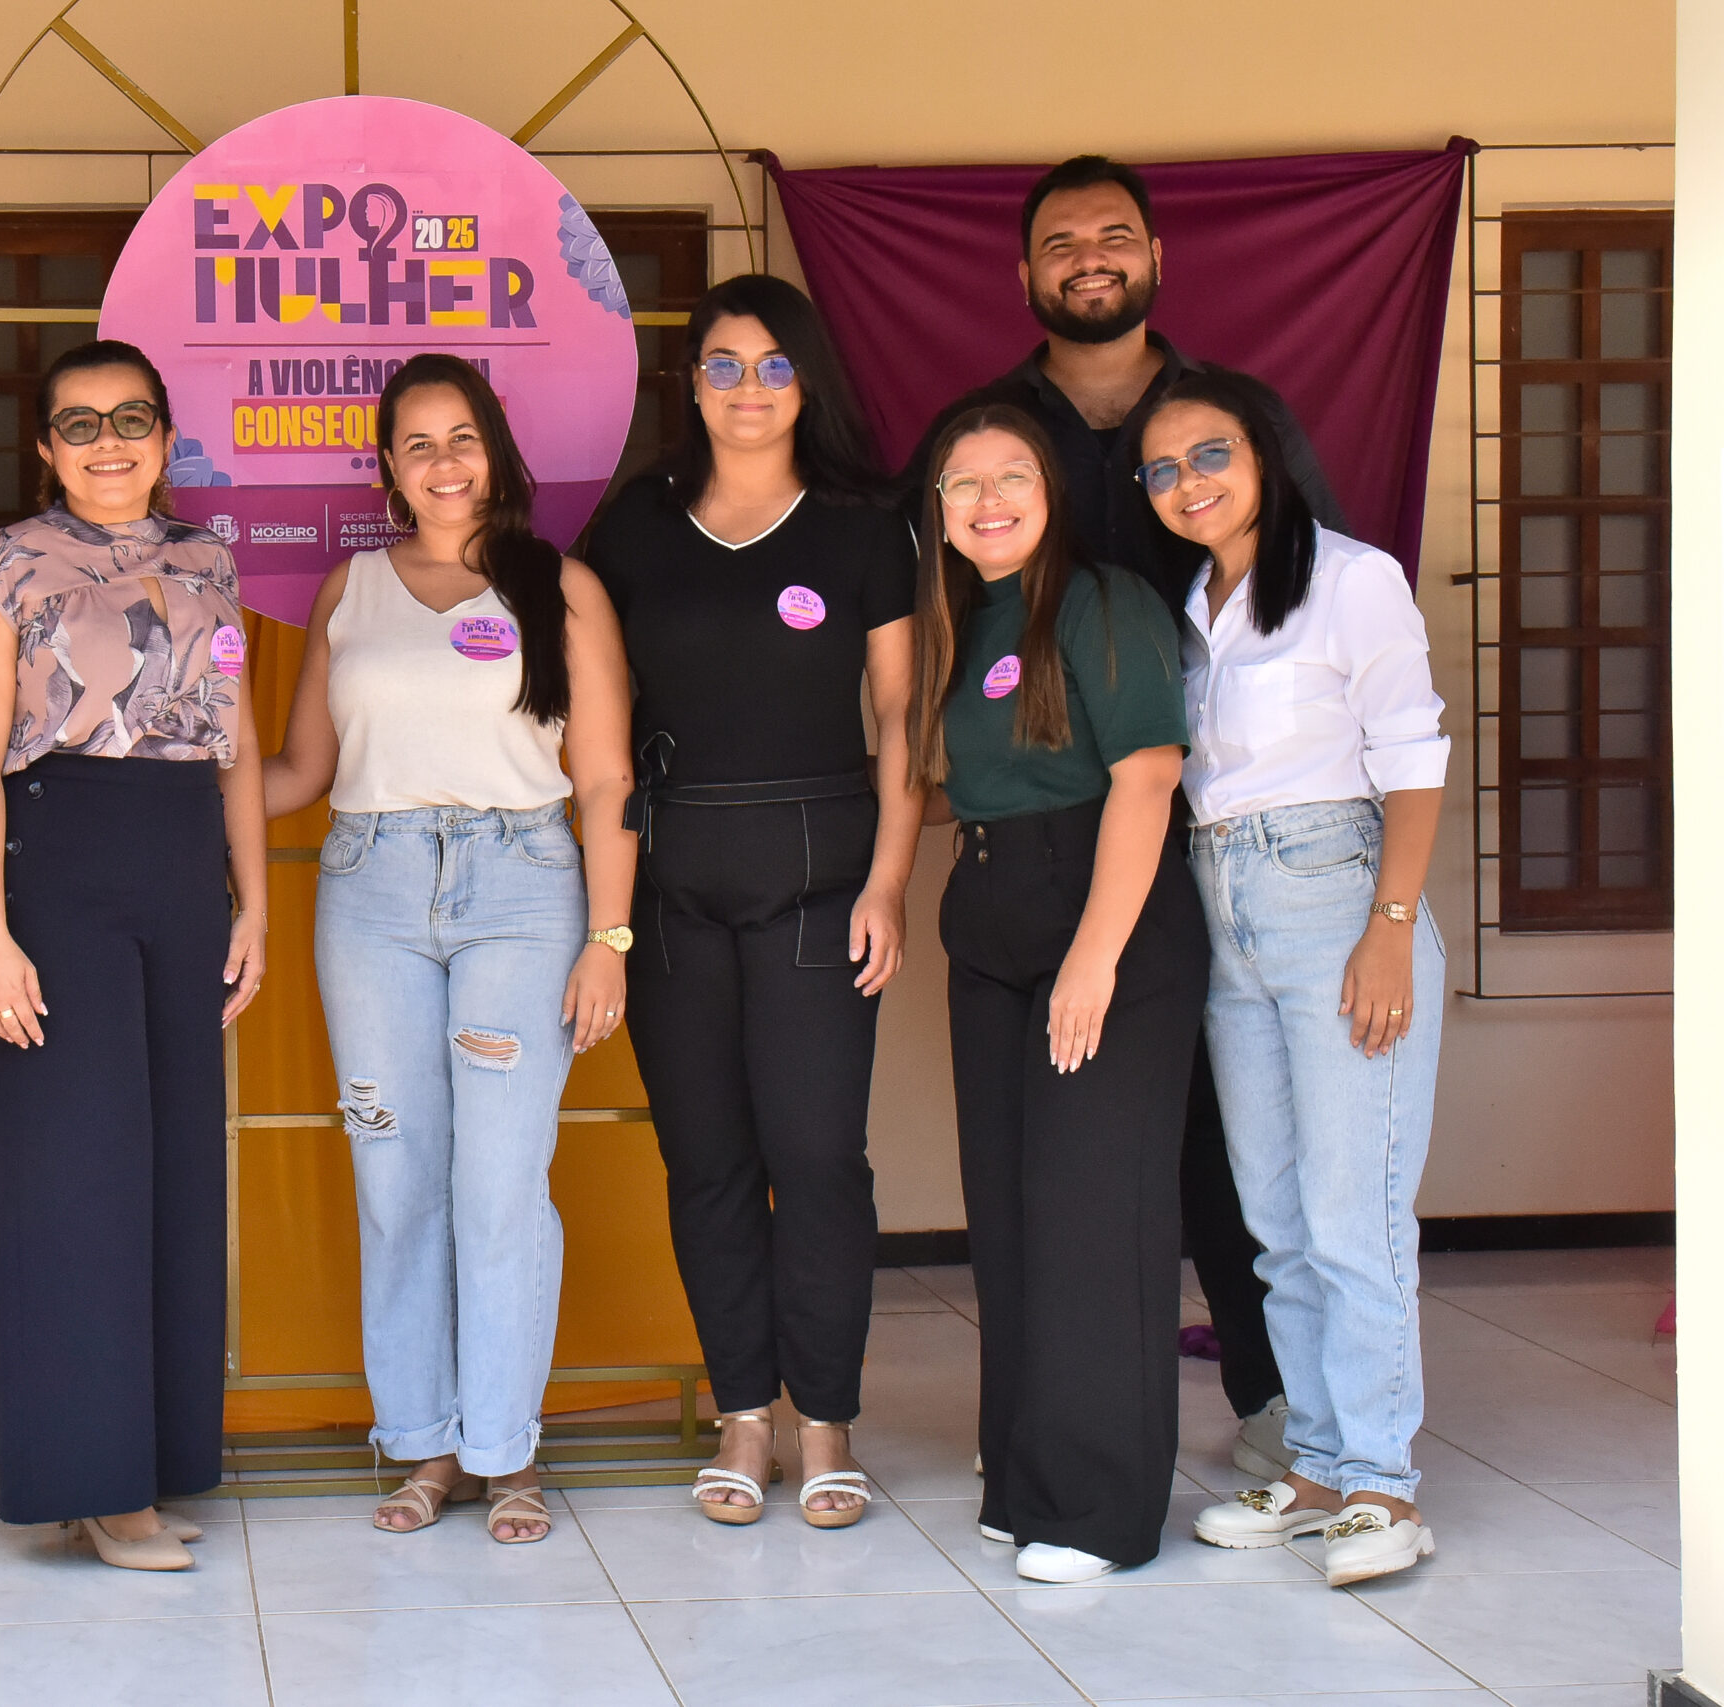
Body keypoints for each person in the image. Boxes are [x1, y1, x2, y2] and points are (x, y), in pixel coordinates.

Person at [907, 155, 1348, 1477]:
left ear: (1157, 257)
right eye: (1061, 241)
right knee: (1066, 1162)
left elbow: (1311, 587)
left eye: (1113, 235)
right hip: (1054, 846)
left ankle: (1284, 1407)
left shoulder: (1228, 416)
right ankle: (1067, 1422)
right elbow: (927, 624)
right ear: (1023, 273)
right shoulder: (986, 430)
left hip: (1230, 823)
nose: (1087, 257)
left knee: (1238, 1135)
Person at [263, 355, 636, 1546]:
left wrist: (609, 937)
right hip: (368, 891)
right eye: (417, 442)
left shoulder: (557, 584)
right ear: (386, 464)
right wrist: (161, 782)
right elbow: (299, 771)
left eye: (461, 437)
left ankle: (505, 1448)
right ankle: (425, 1441)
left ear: (495, 451)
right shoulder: (351, 588)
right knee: (394, 1178)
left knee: (499, 1184)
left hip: (520, 891)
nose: (442, 463)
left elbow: (606, 779)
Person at [581, 275, 920, 1530]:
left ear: (807, 380)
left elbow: (900, 714)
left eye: (773, 365)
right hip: (672, 872)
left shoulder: (862, 526)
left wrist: (889, 879)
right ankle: (741, 1414)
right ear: (691, 382)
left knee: (817, 1155)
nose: (747, 389)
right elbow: (595, 721)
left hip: (820, 871)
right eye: (721, 364)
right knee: (708, 1159)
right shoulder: (635, 525)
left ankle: (824, 1419)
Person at [0, 339, 268, 1572]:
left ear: (166, 434)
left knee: (175, 1168)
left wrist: (253, 903)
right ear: (45, 448)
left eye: (131, 419)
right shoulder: (1, 567)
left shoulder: (208, 558)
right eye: (79, 424)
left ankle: (160, 1458)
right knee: (76, 1175)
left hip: (181, 865)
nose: (108, 443)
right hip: (58, 865)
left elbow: (235, 746)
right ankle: (91, 1483)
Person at [1137, 373, 1450, 1585]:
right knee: (1273, 1220)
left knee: (1353, 1212)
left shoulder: (1349, 580)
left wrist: (1389, 927)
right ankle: (1317, 1466)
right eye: (1162, 470)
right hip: (1226, 910)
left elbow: (1412, 755)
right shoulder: (1190, 603)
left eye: (1209, 454)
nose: (1188, 484)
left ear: (1263, 451)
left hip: (1338, 898)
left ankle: (1382, 1485)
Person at [911, 404, 1207, 1582]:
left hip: (1107, 924)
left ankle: (1096, 1511)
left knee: (1095, 1216)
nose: (988, 500)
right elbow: (969, 784)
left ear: (1052, 491)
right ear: (936, 509)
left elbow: (1146, 777)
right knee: (1012, 1216)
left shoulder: (1101, 599)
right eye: (962, 482)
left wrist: (1094, 956)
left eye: (1012, 476)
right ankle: (1024, 1477)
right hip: (991, 925)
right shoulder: (957, 617)